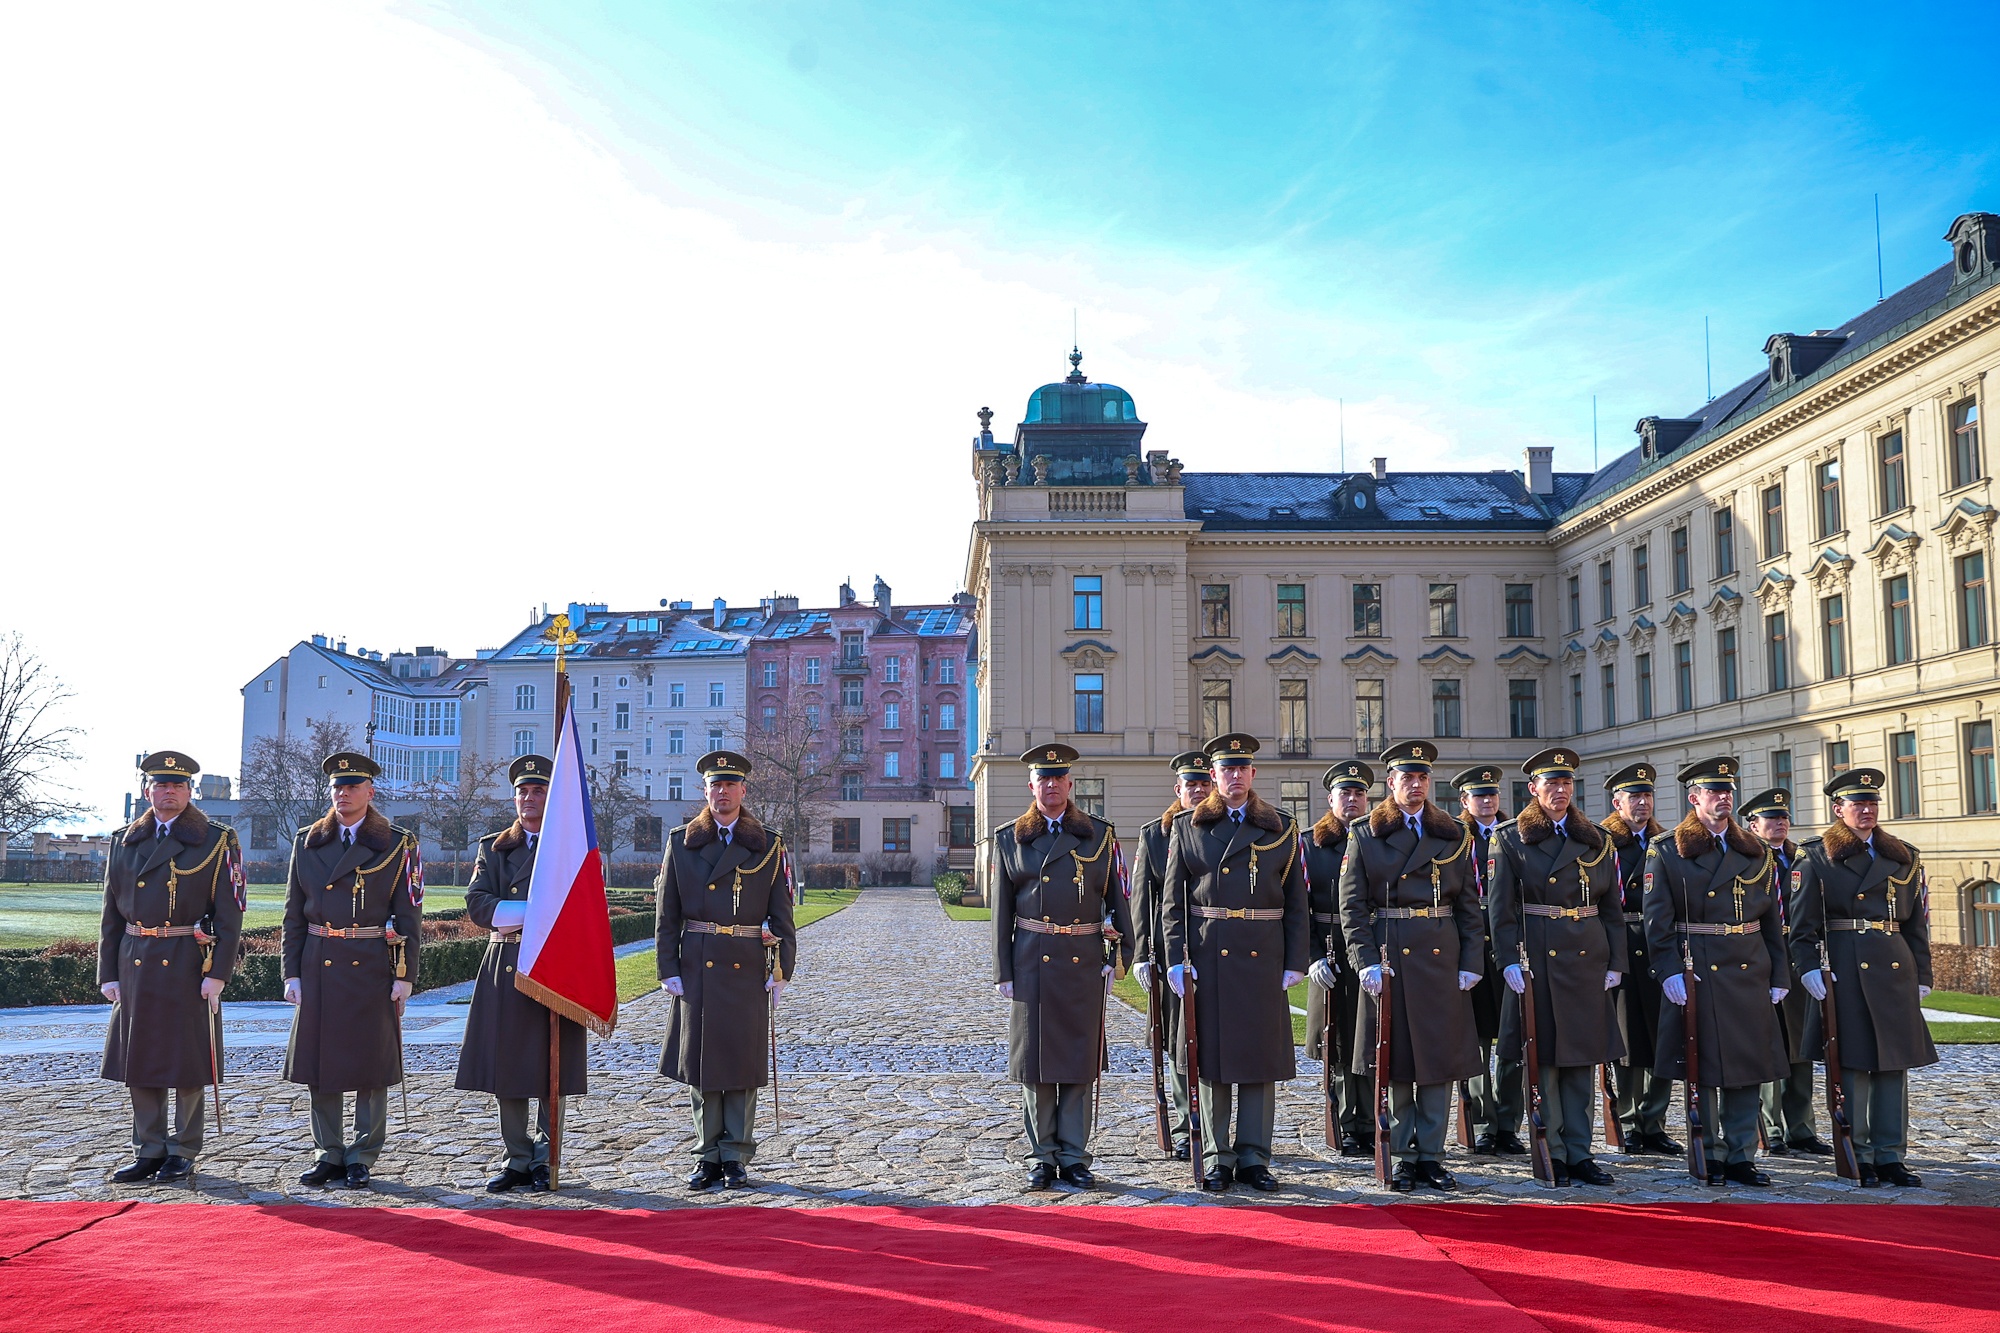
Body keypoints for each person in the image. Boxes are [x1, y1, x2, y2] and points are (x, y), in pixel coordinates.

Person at [1162, 733, 1309, 1192]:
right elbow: (1172, 903)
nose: (1235, 776)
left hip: (1263, 953)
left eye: (1242, 769)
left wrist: (1295, 960)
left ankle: (1254, 1157)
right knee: (1213, 1059)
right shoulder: (1189, 826)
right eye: (1227, 769)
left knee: (1259, 1060)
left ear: (1253, 774)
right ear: (1214, 776)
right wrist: (1174, 959)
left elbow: (1296, 900)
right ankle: (1216, 1155)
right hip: (1210, 953)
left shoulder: (1281, 827)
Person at [1337, 739, 1483, 1193]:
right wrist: (1363, 961)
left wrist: (1471, 961)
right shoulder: (1365, 833)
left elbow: (1469, 906)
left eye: (1422, 778)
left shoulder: (1454, 834)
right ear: (1391, 784)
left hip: (1441, 956)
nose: (1415, 785)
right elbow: (1352, 907)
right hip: (1389, 952)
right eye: (1407, 778)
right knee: (1397, 1059)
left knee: (1438, 1060)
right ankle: (1402, 1154)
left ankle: (1433, 1156)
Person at [98, 751, 244, 1186]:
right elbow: (110, 912)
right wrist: (108, 972)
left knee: (187, 1060)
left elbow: (230, 914)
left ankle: (183, 1150)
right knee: (139, 1059)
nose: (168, 792)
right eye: (161, 785)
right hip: (135, 961)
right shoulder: (124, 839)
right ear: (148, 791)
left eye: (177, 786)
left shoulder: (217, 840)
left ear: (189, 792)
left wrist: (218, 972)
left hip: (186, 962)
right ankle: (149, 1148)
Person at [992, 743, 1134, 1190]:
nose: (1051, 786)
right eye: (1043, 779)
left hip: (1082, 962)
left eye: (1059, 778)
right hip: (1032, 960)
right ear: (1031, 785)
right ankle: (1041, 1156)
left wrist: (1120, 957)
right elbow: (1001, 912)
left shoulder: (1098, 836)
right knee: (1035, 1064)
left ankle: (1074, 1156)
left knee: (1078, 1062)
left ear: (1071, 785)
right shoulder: (1011, 837)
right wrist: (1003, 970)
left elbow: (1118, 903)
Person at [1644, 756, 1791, 1187]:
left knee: (1747, 1064)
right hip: (1698, 964)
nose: (1723, 798)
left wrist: (1779, 974)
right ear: (1694, 799)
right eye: (1714, 791)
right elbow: (1657, 920)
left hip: (1748, 965)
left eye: (1728, 791)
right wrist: (1668, 970)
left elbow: (1772, 921)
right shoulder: (1668, 849)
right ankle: (1709, 1150)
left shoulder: (1755, 850)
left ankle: (1742, 1153)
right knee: (1703, 1065)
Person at [657, 750, 798, 1191]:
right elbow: (667, 913)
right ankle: (706, 1154)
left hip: (745, 963)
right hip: (698, 962)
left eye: (730, 785)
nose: (722, 792)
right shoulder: (682, 842)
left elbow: (783, 913)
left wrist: (782, 968)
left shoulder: (768, 843)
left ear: (743, 790)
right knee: (701, 1063)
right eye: (715, 785)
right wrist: (668, 967)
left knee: (741, 1061)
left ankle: (735, 1154)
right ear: (705, 791)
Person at [1790, 767, 1938, 1188]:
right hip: (1845, 968)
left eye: (1872, 803)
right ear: (1838, 809)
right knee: (1852, 1065)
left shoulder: (1902, 855)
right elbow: (1800, 929)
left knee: (1893, 1065)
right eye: (1857, 804)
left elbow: (1915, 924)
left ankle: (1892, 1155)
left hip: (1894, 968)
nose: (1866, 810)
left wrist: (1922, 972)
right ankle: (1860, 1153)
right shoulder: (1816, 855)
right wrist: (1808, 969)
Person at [282, 752, 422, 1190]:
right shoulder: (308, 841)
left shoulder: (398, 844)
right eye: (337, 787)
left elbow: (410, 915)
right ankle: (328, 1151)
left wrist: (405, 976)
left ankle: (362, 1154)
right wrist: (291, 973)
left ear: (370, 792)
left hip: (371, 965)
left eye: (353, 786)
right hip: (318, 961)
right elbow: (292, 915)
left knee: (370, 1063)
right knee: (321, 1063)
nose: (344, 793)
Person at [1489, 747, 1627, 1187]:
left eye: (1566, 784)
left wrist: (1615, 962)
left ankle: (1582, 1152)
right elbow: (1500, 909)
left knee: (1581, 1059)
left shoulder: (1597, 839)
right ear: (1533, 790)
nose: (1560, 791)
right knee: (1544, 1060)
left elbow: (1611, 909)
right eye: (1551, 784)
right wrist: (1508, 958)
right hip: (1537, 957)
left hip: (1586, 959)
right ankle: (1553, 1149)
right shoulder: (1510, 838)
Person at [454, 755, 588, 1193]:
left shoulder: (573, 846)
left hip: (556, 966)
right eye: (523, 792)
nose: (529, 799)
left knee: (553, 1065)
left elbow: (586, 908)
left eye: (539, 791)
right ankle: (516, 1156)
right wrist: (536, 913)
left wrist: (549, 919)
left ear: (553, 798)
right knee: (508, 1066)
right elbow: (478, 905)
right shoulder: (494, 846)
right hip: (507, 963)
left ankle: (546, 1159)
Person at [1741, 786, 1833, 1159]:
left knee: (1801, 1048)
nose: (1780, 823)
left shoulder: (1802, 859)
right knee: (1769, 1045)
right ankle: (1771, 1129)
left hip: (1798, 960)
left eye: (1783, 818)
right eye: (1771, 818)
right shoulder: (1747, 860)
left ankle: (1801, 1128)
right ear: (1753, 824)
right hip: (1761, 959)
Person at [1130, 751, 1212, 1161]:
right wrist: (1143, 953)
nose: (1197, 791)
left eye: (1203, 784)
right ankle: (1185, 1124)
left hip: (1216, 952)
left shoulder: (1220, 829)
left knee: (1214, 1037)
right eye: (1190, 786)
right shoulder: (1155, 835)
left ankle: (1216, 1128)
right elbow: (1142, 899)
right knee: (1180, 1040)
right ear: (1177, 790)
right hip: (1171, 953)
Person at [1598, 762, 1682, 1156]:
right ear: (1617, 802)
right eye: (1635, 797)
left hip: (1660, 943)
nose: (1643, 803)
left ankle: (1656, 1121)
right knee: (1630, 1040)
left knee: (1664, 1036)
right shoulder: (1603, 842)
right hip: (1624, 939)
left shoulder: (1665, 842)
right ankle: (1629, 1120)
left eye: (1647, 796)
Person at [1450, 764, 1521, 1156]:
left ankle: (1507, 1122)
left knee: (1512, 1038)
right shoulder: (1455, 838)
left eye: (1492, 794)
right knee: (1474, 1039)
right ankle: (1481, 1118)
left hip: (1509, 943)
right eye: (1479, 796)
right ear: (1465, 801)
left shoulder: (1514, 837)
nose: (1488, 801)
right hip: (1470, 944)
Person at [1304, 760, 1374, 1156]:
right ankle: (1343, 1121)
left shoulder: (1377, 838)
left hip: (1366, 952)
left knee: (1369, 1039)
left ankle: (1368, 1121)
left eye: (1359, 793)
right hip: (1329, 952)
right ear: (1330, 799)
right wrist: (1313, 956)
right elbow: (1299, 907)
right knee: (1336, 1042)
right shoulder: (1310, 843)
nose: (1352, 799)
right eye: (1345, 793)